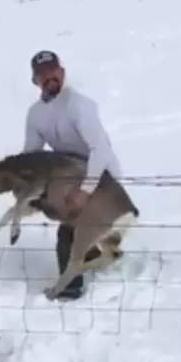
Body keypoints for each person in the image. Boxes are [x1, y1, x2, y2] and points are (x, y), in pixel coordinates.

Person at [23, 50, 123, 301]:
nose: (50, 77)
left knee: (67, 232)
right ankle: (92, 256)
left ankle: (70, 289)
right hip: (71, 179)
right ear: (36, 81)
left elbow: (100, 150)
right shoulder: (35, 115)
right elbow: (31, 156)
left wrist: (85, 191)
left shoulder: (79, 106)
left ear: (62, 73)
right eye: (43, 74)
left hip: (102, 177)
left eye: (53, 71)